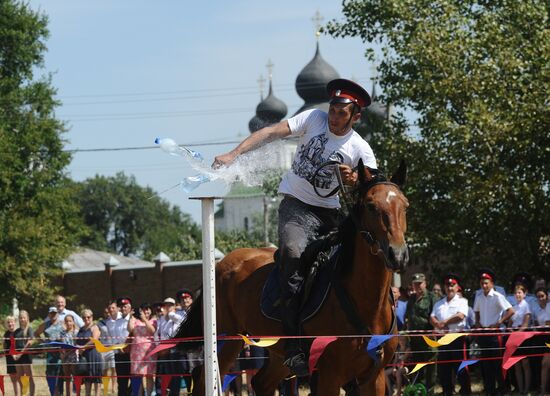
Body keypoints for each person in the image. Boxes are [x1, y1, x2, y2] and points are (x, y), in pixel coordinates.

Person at [213, 78, 375, 376]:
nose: (335, 117)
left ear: (356, 116)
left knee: (357, 260)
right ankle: (293, 344)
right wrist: (234, 155)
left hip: (330, 214)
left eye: (343, 113)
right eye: (333, 110)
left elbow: (372, 191)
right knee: (293, 252)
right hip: (296, 208)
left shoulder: (360, 148)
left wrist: (354, 180)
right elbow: (271, 131)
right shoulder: (313, 118)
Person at [473, 269, 515, 396]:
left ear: (491, 283)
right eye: (482, 283)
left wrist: (499, 322)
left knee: (497, 363)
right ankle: (490, 390)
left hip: (494, 334)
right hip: (484, 333)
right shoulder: (479, 297)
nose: (484, 286)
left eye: (486, 283)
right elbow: (476, 311)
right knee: (486, 364)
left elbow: (510, 311)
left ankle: (503, 389)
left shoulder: (498, 296)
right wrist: (478, 323)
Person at [430, 274, 471, 396]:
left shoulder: (462, 301)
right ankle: (447, 391)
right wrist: (437, 324)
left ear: (457, 287)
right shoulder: (439, 303)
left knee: (461, 367)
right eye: (448, 285)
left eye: (452, 285)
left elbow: (460, 316)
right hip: (442, 339)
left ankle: (465, 392)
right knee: (444, 369)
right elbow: (432, 317)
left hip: (456, 338)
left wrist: (444, 322)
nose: (450, 288)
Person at [404, 273, 438, 394]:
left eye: (420, 283)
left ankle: (430, 391)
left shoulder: (432, 297)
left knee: (430, 367)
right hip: (415, 340)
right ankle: (419, 391)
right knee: (418, 367)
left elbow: (436, 316)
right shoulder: (411, 299)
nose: (417, 286)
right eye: (415, 284)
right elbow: (408, 317)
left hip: (428, 339)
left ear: (425, 283)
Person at [155, 297, 185, 395]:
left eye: (170, 305)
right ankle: (171, 392)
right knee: (169, 374)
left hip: (177, 350)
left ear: (175, 306)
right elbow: (158, 334)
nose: (168, 307)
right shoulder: (162, 319)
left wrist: (171, 312)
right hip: (165, 350)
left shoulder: (178, 315)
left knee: (177, 374)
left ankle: (176, 393)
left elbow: (179, 320)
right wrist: (159, 347)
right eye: (166, 305)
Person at [128, 303, 157, 396]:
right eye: (144, 309)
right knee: (137, 376)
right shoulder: (135, 321)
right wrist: (130, 317)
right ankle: (139, 394)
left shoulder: (154, 320)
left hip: (149, 352)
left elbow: (152, 331)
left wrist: (145, 320)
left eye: (148, 309)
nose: (146, 311)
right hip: (136, 353)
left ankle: (149, 394)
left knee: (149, 375)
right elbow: (130, 329)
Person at [508, 284, 532, 394]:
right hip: (514, 336)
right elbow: (510, 322)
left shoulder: (526, 306)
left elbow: (526, 324)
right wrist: (510, 330)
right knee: (516, 364)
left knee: (525, 364)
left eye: (520, 292)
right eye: (516, 292)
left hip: (522, 336)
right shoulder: (514, 307)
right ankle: (520, 389)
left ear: (524, 294)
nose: (517, 294)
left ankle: (526, 389)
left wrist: (517, 333)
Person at [36, 306, 65, 396]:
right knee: (50, 375)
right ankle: (53, 393)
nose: (53, 315)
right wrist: (44, 343)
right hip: (50, 354)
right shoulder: (45, 324)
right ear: (49, 314)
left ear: (57, 314)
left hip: (61, 353)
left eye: (54, 313)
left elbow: (70, 332)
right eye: (51, 313)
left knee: (60, 374)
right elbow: (36, 334)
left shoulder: (62, 324)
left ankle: (60, 393)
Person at [76, 309, 103, 396]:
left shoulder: (95, 327)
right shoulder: (81, 329)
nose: (86, 319)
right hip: (84, 357)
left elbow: (94, 340)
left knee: (96, 379)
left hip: (94, 355)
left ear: (92, 317)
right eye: (84, 317)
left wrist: (83, 347)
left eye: (88, 317)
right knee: (87, 379)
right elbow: (77, 341)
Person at [97, 301, 120, 394]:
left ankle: (114, 387)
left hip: (113, 347)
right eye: (106, 312)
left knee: (114, 368)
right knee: (105, 369)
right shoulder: (100, 323)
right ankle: (106, 387)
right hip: (104, 348)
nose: (108, 313)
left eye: (109, 312)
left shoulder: (115, 321)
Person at [113, 297, 133, 396]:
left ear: (130, 307)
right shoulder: (117, 321)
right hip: (119, 354)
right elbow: (115, 338)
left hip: (131, 353)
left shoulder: (133, 319)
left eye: (125, 306)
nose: (123, 308)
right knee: (121, 381)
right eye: (121, 307)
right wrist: (118, 347)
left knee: (134, 379)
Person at [15, 310, 35, 396]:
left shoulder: (29, 329)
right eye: (21, 318)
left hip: (26, 356)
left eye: (24, 318)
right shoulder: (17, 331)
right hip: (18, 357)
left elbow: (30, 342)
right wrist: (15, 355)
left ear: (27, 318)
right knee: (20, 378)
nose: (22, 319)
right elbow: (13, 344)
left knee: (29, 377)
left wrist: (20, 353)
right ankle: (23, 393)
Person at [60, 314, 79, 396]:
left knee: (75, 376)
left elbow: (76, 345)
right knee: (67, 378)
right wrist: (62, 353)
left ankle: (76, 393)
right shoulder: (62, 333)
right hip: (65, 357)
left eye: (70, 321)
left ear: (73, 322)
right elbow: (61, 345)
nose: (68, 323)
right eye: (67, 321)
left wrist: (68, 352)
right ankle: (68, 394)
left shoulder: (76, 332)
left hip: (74, 357)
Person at [4, 316, 22, 395]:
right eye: (8, 322)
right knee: (13, 380)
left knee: (20, 378)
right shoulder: (6, 334)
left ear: (15, 322)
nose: (10, 324)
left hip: (18, 358)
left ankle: (23, 394)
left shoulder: (19, 332)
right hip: (9, 359)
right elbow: (5, 346)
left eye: (12, 322)